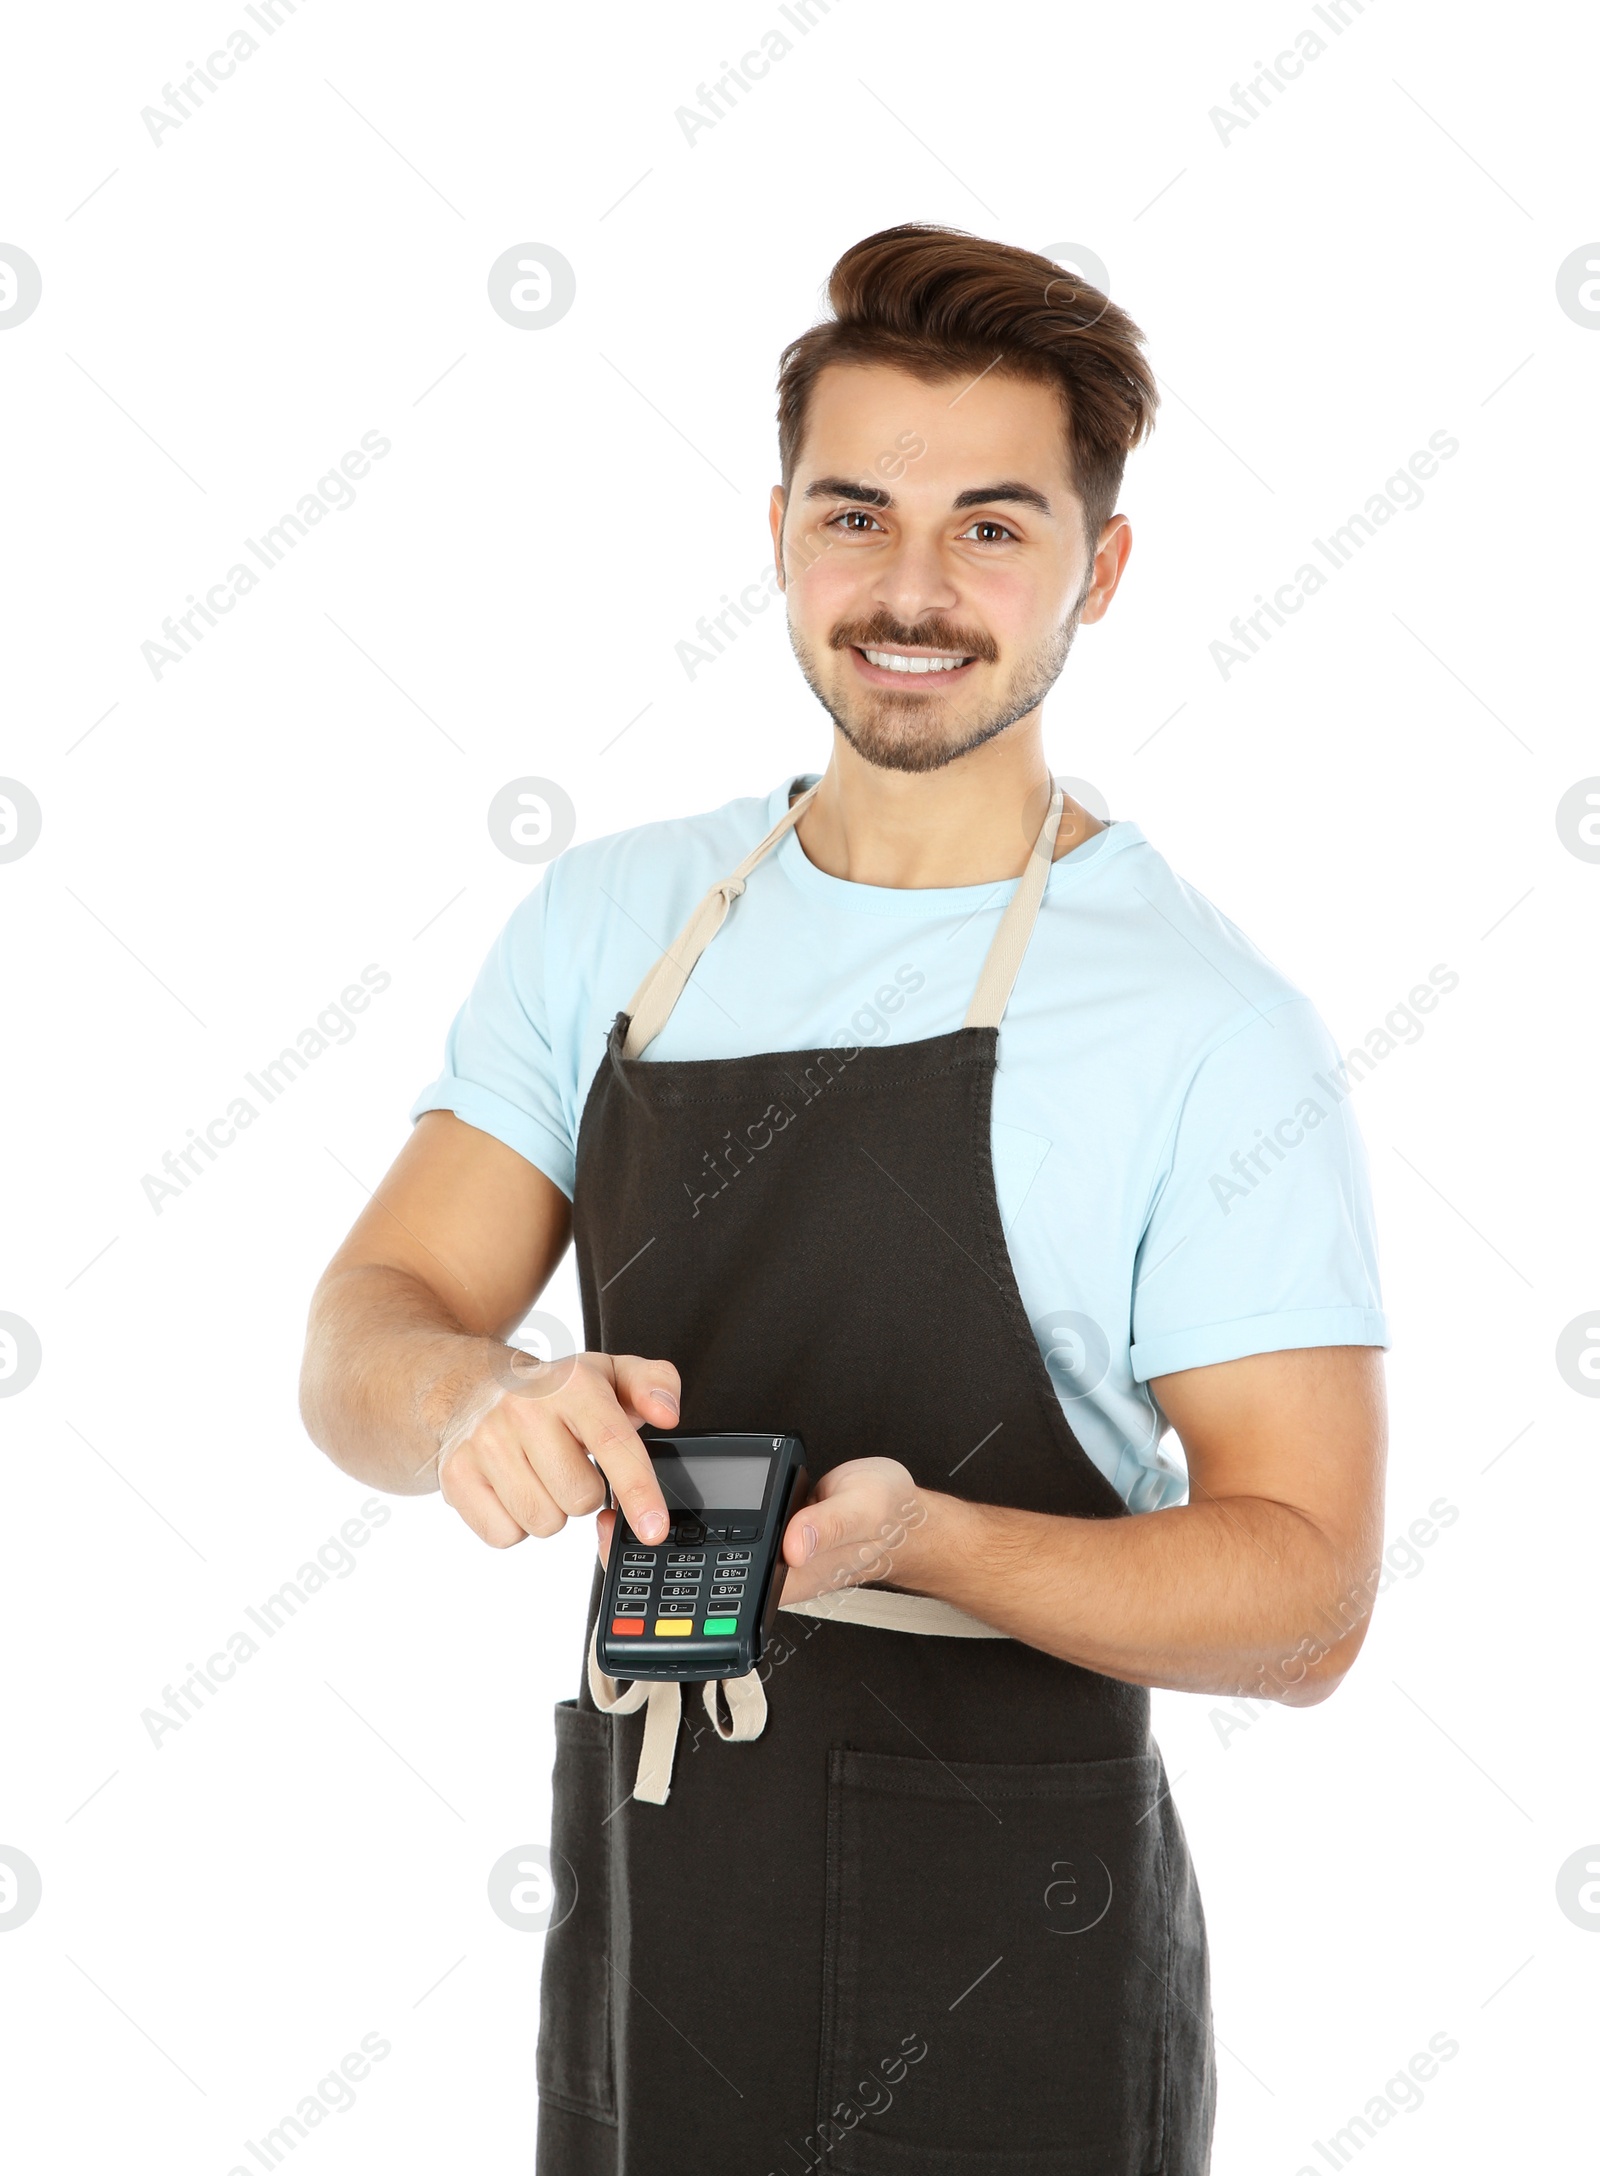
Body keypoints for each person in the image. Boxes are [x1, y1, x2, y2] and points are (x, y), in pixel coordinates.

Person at [300, 223, 1389, 2174]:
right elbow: (369, 1312)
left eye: (988, 525)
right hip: (657, 1910)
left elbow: (1304, 1594)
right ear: (779, 527)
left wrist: (929, 1541)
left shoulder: (1204, 1022)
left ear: (1098, 567)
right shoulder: (615, 921)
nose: (905, 588)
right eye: (853, 512)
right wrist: (469, 1395)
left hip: (1010, 1966)